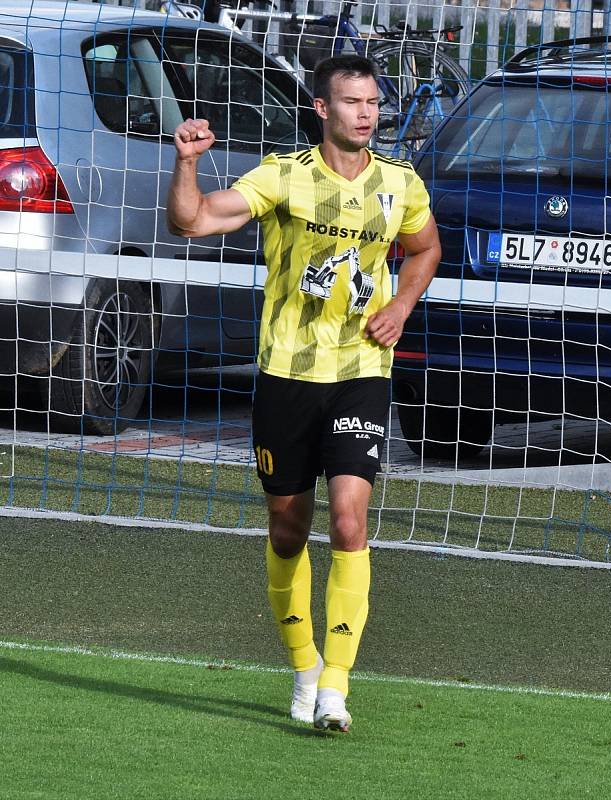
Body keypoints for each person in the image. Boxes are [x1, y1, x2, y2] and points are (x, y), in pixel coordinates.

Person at [167, 54, 441, 732]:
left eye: (373, 102)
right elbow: (193, 222)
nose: (366, 113)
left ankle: (337, 689)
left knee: (348, 519)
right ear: (321, 108)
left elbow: (427, 247)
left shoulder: (399, 183)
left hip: (360, 373)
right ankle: (305, 668)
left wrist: (402, 305)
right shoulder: (282, 175)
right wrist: (187, 164)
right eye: (351, 102)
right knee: (289, 529)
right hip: (286, 376)